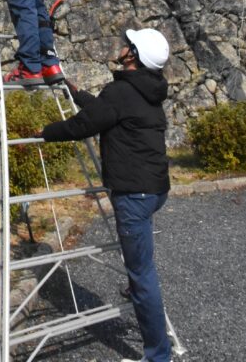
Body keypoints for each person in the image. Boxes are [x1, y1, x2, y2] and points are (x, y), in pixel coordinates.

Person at [39, 27, 173, 362]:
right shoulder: (145, 90)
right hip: (155, 189)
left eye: (130, 45)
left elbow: (84, 125)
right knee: (139, 266)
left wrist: (44, 134)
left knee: (144, 275)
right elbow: (104, 111)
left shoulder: (121, 92)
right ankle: (136, 289)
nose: (123, 47)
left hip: (134, 195)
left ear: (134, 56)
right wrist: (77, 91)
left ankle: (158, 356)